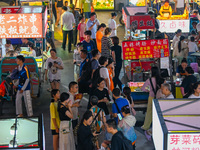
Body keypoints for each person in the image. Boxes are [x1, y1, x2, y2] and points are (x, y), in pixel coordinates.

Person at [141, 66, 164, 131]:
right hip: (160, 97)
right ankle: (160, 126)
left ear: (152, 72)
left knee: (149, 112)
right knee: (159, 112)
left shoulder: (149, 80)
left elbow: (143, 88)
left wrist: (149, 90)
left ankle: (146, 126)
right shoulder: (161, 79)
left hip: (152, 97)